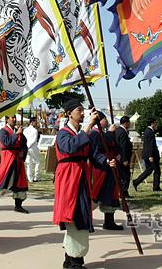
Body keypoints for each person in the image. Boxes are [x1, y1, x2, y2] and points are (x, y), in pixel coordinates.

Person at [53, 99, 116, 269]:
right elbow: (70, 148)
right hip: (68, 179)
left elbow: (94, 154)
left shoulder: (82, 134)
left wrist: (106, 162)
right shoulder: (63, 133)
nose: (82, 113)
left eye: (83, 110)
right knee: (74, 215)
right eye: (79, 110)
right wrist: (88, 128)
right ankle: (75, 261)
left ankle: (71, 258)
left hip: (81, 177)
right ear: (69, 113)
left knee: (80, 214)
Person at [89, 112, 123, 230]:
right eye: (104, 119)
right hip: (101, 168)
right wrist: (109, 133)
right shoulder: (94, 133)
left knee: (111, 194)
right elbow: (99, 147)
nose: (107, 122)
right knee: (96, 194)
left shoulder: (102, 132)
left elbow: (114, 145)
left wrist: (118, 154)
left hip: (111, 167)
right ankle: (84, 219)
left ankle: (109, 222)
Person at [0, 114, 30, 213]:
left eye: (15, 117)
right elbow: (6, 143)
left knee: (20, 181)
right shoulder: (3, 131)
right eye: (12, 118)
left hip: (18, 159)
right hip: (9, 158)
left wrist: (22, 152)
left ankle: (18, 205)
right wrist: (17, 134)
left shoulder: (18, 130)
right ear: (7, 119)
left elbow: (24, 144)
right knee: (6, 179)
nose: (14, 119)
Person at [132, 118, 161, 192]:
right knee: (157, 171)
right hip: (151, 155)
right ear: (152, 123)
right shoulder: (150, 132)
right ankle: (156, 187)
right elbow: (150, 145)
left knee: (149, 170)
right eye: (155, 123)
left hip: (147, 154)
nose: (156, 124)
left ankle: (136, 181)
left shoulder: (147, 131)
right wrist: (151, 155)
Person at [115, 116, 133, 197]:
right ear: (125, 123)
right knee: (126, 175)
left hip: (119, 157)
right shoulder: (122, 132)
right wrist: (125, 159)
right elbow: (123, 147)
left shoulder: (118, 130)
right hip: (123, 158)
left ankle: (123, 192)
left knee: (123, 175)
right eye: (129, 123)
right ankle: (123, 192)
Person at [24, 116, 41, 182]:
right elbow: (34, 140)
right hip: (32, 147)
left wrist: (26, 147)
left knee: (29, 163)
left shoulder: (25, 130)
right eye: (35, 121)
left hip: (27, 147)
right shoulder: (35, 130)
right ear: (32, 122)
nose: (36, 123)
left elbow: (25, 139)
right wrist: (28, 146)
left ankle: (30, 178)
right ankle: (36, 177)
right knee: (37, 162)